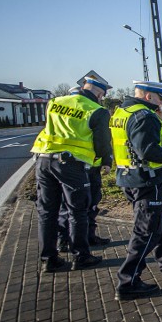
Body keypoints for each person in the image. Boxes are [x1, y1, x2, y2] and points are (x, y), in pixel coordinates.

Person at [111, 80, 162, 301]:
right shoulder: (144, 116)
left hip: (129, 177)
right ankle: (128, 281)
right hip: (146, 180)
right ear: (148, 97)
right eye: (160, 98)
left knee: (156, 222)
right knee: (147, 231)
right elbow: (148, 150)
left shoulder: (122, 112)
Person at [31, 75, 113, 272]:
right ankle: (81, 256)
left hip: (43, 159)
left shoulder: (55, 102)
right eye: (102, 95)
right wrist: (105, 161)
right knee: (77, 210)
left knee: (47, 211)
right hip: (70, 164)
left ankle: (49, 259)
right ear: (100, 93)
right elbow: (102, 142)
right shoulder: (97, 110)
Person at [57, 85, 111, 252]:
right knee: (79, 206)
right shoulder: (93, 110)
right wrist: (106, 158)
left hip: (67, 164)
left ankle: (77, 238)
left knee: (75, 205)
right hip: (84, 164)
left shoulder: (59, 107)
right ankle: (73, 241)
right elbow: (101, 140)